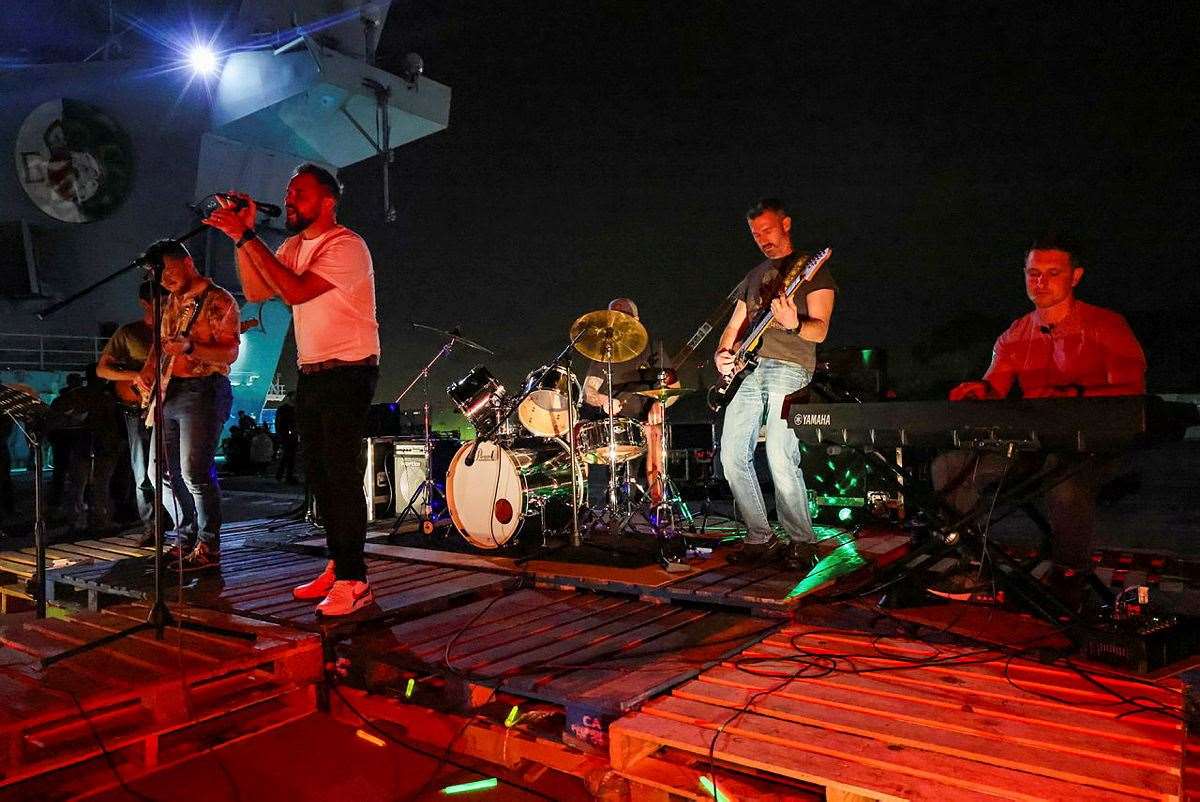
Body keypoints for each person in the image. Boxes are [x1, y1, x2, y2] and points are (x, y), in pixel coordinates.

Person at [204, 163, 380, 617]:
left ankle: (354, 580)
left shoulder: (346, 245)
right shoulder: (291, 245)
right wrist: (239, 237)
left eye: (299, 193)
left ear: (327, 201)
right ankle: (339, 565)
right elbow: (258, 290)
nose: (289, 200)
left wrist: (246, 237)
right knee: (320, 475)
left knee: (339, 474)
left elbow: (296, 292)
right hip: (313, 372)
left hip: (348, 371)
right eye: (288, 192)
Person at [933, 235, 1146, 607]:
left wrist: (1074, 399)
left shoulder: (1108, 325)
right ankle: (971, 564)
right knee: (950, 465)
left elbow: (1130, 392)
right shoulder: (1015, 333)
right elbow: (994, 388)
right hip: (1033, 446)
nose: (1040, 282)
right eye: (1033, 273)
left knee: (1062, 479)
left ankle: (1069, 576)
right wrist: (974, 393)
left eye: (1052, 273)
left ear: (1075, 276)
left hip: (1095, 447)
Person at [715, 198, 837, 565]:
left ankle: (802, 540)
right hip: (748, 369)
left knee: (779, 453)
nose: (761, 238)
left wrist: (793, 322)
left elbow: (820, 330)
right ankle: (760, 536)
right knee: (731, 453)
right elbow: (736, 323)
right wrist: (723, 352)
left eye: (767, 230)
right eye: (755, 234)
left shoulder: (812, 271)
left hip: (790, 364)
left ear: (786, 224)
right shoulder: (753, 277)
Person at [138, 239, 240, 569]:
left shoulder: (218, 300)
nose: (164, 279)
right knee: (160, 472)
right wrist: (146, 377)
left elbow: (229, 353)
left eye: (167, 270)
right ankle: (186, 537)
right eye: (159, 274)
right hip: (170, 390)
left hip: (204, 388)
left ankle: (209, 546)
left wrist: (191, 348)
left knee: (195, 471)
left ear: (186, 262)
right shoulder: (170, 303)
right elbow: (161, 347)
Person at [581, 298, 667, 507]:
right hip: (612, 424)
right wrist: (602, 399)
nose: (617, 320)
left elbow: (674, 386)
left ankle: (657, 504)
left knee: (655, 431)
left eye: (623, 315)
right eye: (613, 316)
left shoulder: (653, 348)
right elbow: (587, 390)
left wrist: (660, 402)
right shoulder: (605, 352)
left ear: (636, 320)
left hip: (645, 422)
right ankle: (602, 506)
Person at [96, 280, 157, 544]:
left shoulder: (175, 331)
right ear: (146, 303)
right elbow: (102, 369)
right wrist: (137, 375)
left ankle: (182, 527)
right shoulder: (129, 333)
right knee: (142, 470)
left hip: (171, 407)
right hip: (137, 409)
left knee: (173, 470)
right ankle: (152, 526)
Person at [274, 393, 298, 483]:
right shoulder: (284, 409)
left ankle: (282, 475)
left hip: (289, 434)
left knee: (289, 455)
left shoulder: (286, 409)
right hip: (287, 435)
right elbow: (279, 422)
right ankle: (286, 475)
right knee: (289, 455)